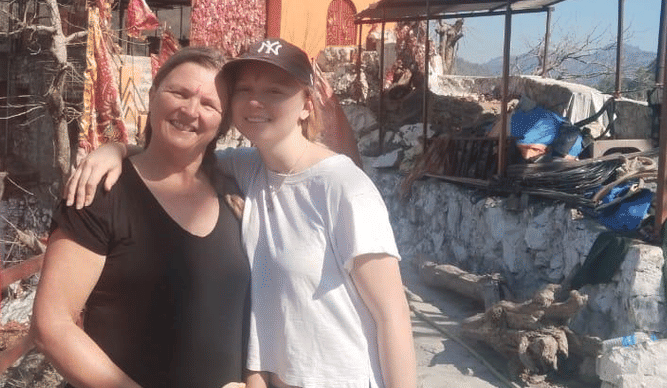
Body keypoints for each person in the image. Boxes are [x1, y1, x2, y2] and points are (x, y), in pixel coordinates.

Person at [67, 39, 416, 388]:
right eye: (244, 89)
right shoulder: (246, 169)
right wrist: (116, 150)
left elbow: (392, 315)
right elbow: (176, 153)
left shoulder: (343, 187)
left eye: (274, 91)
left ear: (306, 105)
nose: (254, 102)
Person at [32, 47, 251, 388]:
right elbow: (51, 325)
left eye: (209, 104)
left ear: (223, 121)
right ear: (152, 95)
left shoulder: (233, 193)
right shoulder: (102, 192)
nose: (190, 110)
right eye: (179, 93)